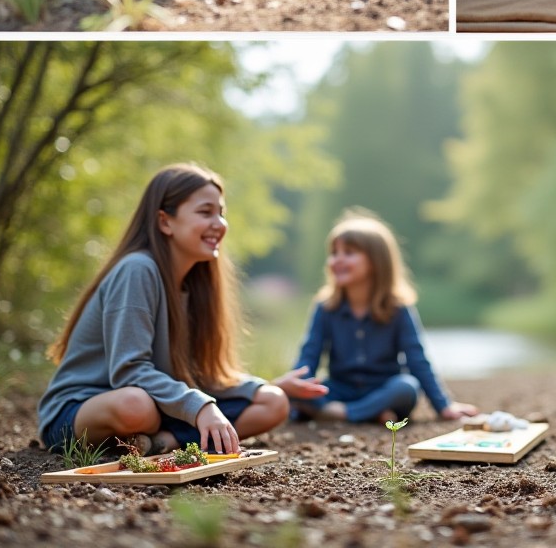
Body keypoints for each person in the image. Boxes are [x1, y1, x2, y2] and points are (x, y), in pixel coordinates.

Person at [37, 163, 290, 455]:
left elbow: (199, 374)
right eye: (205, 212)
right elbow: (129, 371)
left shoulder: (197, 284)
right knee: (135, 405)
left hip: (156, 404)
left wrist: (259, 387)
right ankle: (168, 436)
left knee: (273, 401)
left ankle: (161, 442)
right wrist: (201, 408)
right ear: (165, 222)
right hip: (82, 411)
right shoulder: (137, 270)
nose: (219, 224)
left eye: (221, 213)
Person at [280, 211, 478, 423]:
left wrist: (444, 405)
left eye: (348, 252)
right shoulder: (325, 307)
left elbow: (417, 359)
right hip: (339, 389)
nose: (337, 259)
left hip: (383, 390)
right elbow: (309, 355)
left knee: (407, 387)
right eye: (334, 253)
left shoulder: (398, 309)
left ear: (376, 261)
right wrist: (298, 386)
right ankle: (369, 414)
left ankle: (340, 413)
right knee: (308, 391)